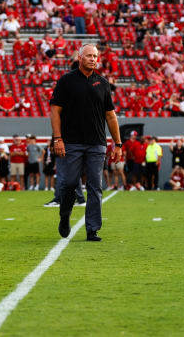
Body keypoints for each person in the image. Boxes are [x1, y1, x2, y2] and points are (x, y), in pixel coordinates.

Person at [50, 44, 122, 242]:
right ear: (80, 57)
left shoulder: (103, 83)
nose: (93, 59)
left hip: (96, 143)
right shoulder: (66, 81)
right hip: (71, 142)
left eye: (95, 56)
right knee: (69, 184)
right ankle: (65, 216)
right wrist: (58, 138)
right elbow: (55, 110)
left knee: (95, 187)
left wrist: (118, 144)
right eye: (89, 55)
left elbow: (111, 116)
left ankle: (92, 229)